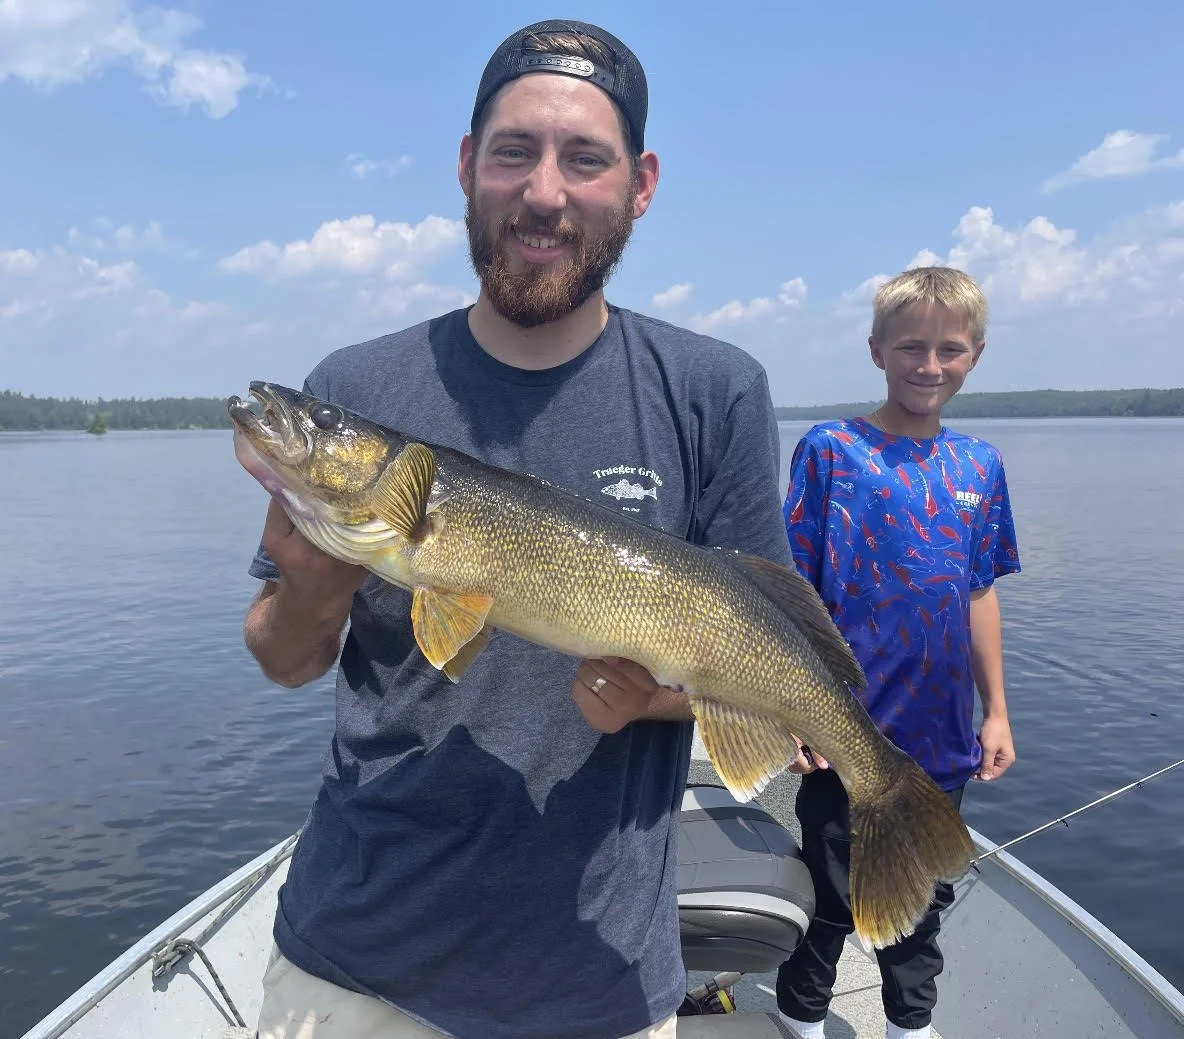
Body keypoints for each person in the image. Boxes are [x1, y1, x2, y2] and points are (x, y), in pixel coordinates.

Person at [241, 18, 792, 1039]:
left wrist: (660, 700)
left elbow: (760, 665)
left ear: (640, 183)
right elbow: (282, 658)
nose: (545, 192)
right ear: (466, 166)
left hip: (597, 976)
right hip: (354, 962)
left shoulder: (714, 392)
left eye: (585, 158)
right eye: (513, 151)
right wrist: (309, 589)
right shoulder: (356, 386)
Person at [774, 266, 1022, 1039]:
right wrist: (789, 713)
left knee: (923, 900)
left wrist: (998, 712)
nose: (929, 365)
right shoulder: (830, 452)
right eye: (911, 346)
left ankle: (909, 1025)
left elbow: (979, 592)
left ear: (975, 355)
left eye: (950, 349)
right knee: (830, 892)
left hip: (941, 740)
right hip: (843, 728)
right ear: (877, 349)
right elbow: (787, 596)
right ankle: (800, 1014)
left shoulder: (980, 466)